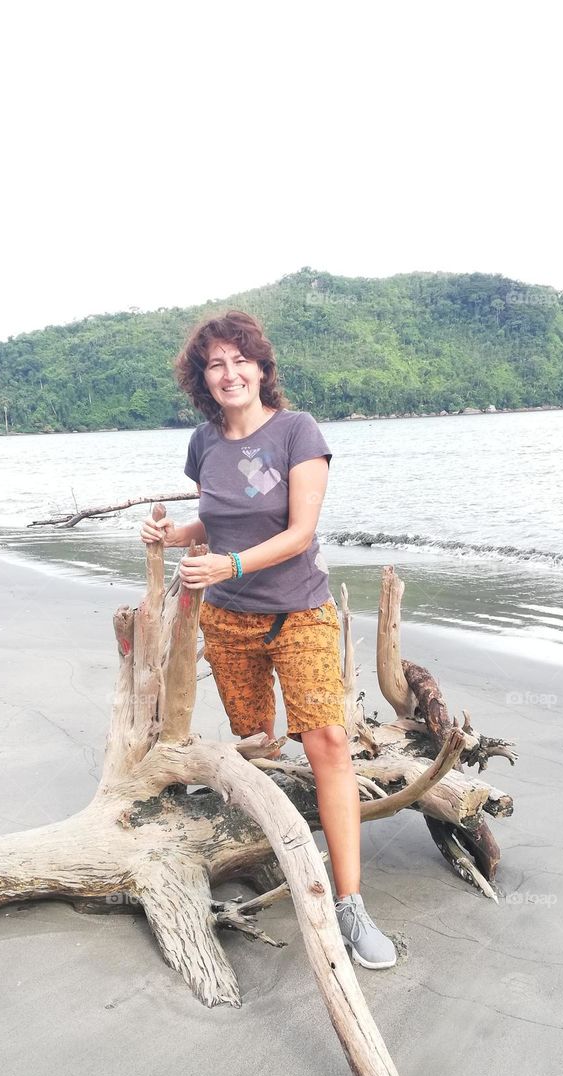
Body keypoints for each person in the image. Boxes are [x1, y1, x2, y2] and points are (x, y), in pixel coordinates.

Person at [139, 310, 396, 969]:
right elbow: (219, 520)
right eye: (215, 364)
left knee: (328, 742)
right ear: (203, 378)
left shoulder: (296, 431)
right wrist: (175, 535)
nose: (229, 373)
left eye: (239, 360)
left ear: (260, 368)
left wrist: (229, 565)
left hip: (299, 611)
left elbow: (298, 532)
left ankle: (350, 904)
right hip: (228, 621)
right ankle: (271, 847)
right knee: (257, 743)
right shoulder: (203, 444)